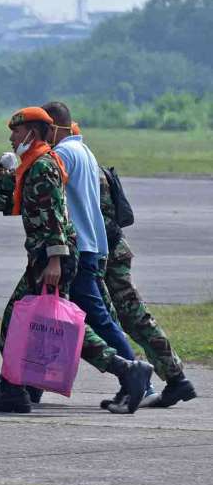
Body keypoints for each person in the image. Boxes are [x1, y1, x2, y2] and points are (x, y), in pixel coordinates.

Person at [0, 107, 152, 414]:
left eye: (16, 131)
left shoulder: (41, 166)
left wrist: (55, 260)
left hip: (52, 259)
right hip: (49, 256)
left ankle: (17, 391)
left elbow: (53, 215)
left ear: (32, 133)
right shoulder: (35, 163)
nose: (11, 138)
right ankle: (121, 371)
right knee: (55, 327)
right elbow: (18, 198)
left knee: (26, 322)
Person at [89, 125, 196, 411]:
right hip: (113, 252)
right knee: (128, 318)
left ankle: (167, 379)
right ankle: (172, 379)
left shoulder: (80, 165)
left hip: (110, 255)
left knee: (131, 317)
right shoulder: (87, 160)